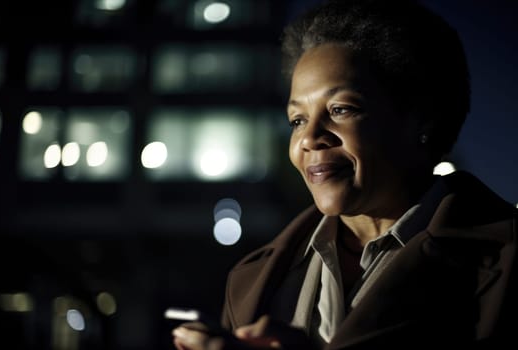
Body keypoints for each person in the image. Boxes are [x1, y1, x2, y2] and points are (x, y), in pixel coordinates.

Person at [172, 0, 518, 349]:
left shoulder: (506, 258)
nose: (309, 138)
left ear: (421, 118)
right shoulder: (251, 281)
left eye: (341, 109)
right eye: (298, 120)